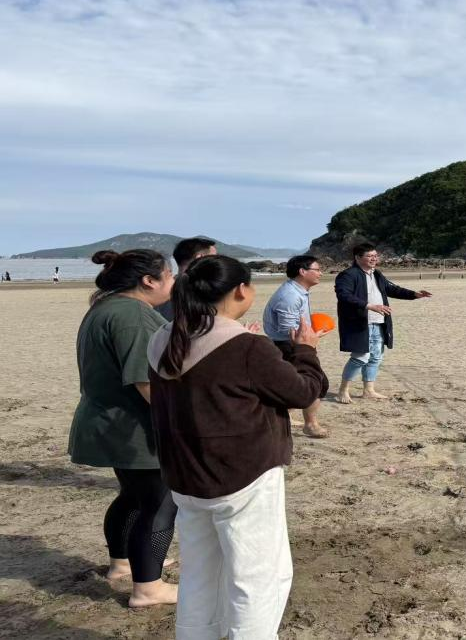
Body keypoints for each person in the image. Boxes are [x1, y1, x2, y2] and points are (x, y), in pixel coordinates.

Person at [148, 255, 327, 637]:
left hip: (184, 475)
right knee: (259, 577)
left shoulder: (163, 337)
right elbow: (304, 391)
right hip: (242, 475)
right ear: (241, 290)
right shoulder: (245, 346)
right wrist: (306, 350)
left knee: (201, 574)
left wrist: (249, 344)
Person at [67, 249, 178, 607]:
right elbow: (147, 382)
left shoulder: (105, 306)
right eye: (169, 275)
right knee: (160, 503)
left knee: (132, 497)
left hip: (107, 422)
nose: (173, 282)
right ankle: (148, 587)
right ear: (149, 280)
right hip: (132, 428)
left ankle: (123, 563)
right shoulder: (132, 314)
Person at [335, 244, 432, 402]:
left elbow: (392, 289)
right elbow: (343, 295)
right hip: (359, 323)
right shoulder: (348, 275)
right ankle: (343, 391)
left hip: (379, 322)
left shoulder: (377, 274)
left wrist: (415, 294)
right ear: (357, 257)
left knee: (376, 357)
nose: (374, 258)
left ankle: (369, 390)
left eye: (375, 255)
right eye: (369, 256)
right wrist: (369, 306)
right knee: (360, 357)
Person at [263, 255, 330, 438]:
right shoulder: (290, 296)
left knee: (299, 384)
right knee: (316, 383)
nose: (320, 273)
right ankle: (310, 425)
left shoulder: (297, 291)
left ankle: (286, 417)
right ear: (302, 271)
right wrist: (312, 337)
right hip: (288, 345)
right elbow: (288, 330)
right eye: (317, 269)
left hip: (292, 343)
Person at [155, 238, 218, 321]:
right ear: (200, 258)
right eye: (214, 258)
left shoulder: (160, 290)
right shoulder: (206, 292)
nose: (218, 263)